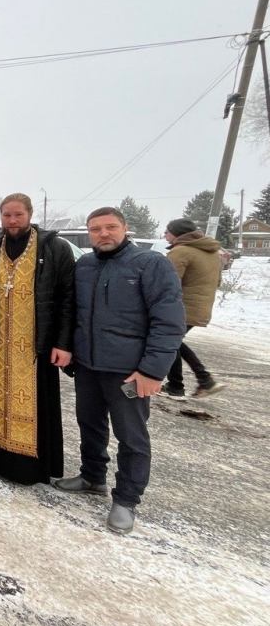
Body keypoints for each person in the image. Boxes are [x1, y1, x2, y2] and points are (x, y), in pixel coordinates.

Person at [55, 207, 185, 534]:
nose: (103, 234)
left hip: (129, 371)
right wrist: (69, 349)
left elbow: (168, 323)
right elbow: (72, 312)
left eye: (110, 227)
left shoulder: (151, 265)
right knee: (89, 423)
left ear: (125, 228)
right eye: (96, 229)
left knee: (131, 436)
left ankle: (126, 500)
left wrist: (153, 371)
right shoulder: (84, 265)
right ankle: (92, 475)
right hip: (87, 366)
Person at [0, 193, 75, 484]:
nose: (12, 221)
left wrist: (64, 343)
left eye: (18, 215)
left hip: (34, 345)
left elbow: (68, 299)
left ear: (29, 215)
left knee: (36, 404)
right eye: (7, 215)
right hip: (0, 343)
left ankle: (30, 468)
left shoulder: (54, 248)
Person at [161, 218, 225, 400]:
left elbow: (167, 285)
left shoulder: (180, 252)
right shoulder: (213, 252)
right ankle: (188, 383)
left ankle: (188, 383)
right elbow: (218, 281)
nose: (165, 234)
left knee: (170, 341)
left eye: (168, 231)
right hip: (201, 306)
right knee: (173, 343)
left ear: (178, 233)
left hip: (180, 307)